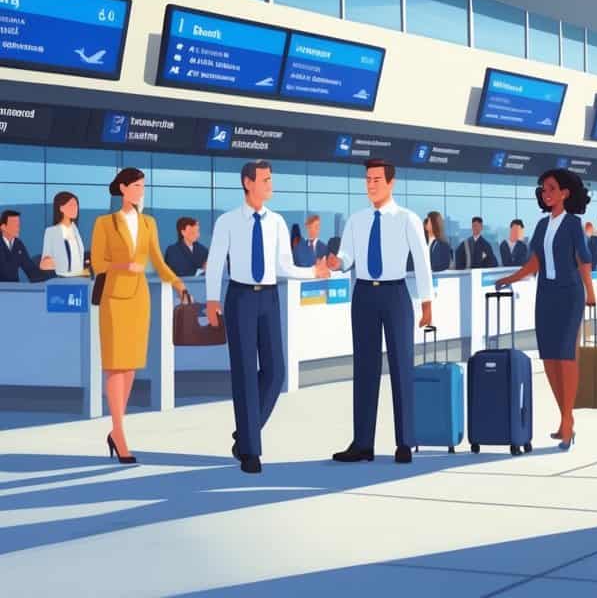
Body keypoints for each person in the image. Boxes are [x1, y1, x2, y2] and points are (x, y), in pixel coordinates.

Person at [206, 161, 329, 474]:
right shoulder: (228, 221)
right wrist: (211, 301)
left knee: (276, 372)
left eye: (271, 179)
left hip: (269, 299)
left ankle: (245, 434)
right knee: (245, 374)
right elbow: (217, 262)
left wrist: (313, 272)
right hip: (241, 298)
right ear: (248, 182)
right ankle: (250, 452)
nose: (270, 184)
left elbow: (284, 266)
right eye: (265, 179)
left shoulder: (277, 222)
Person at [326, 159, 433, 465]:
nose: (370, 185)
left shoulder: (407, 219)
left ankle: (405, 441)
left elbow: (422, 262)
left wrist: (427, 303)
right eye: (367, 179)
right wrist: (337, 263)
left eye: (376, 179)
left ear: (391, 182)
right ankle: (363, 443)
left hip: (395, 294)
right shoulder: (356, 220)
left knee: (402, 368)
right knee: (364, 369)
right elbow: (347, 256)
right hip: (363, 295)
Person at [495, 168, 596, 451]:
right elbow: (534, 264)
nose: (546, 193)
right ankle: (567, 418)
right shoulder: (541, 226)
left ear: (565, 192)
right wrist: (510, 278)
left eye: (551, 188)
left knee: (566, 357)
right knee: (550, 359)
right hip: (546, 296)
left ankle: (566, 421)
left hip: (570, 295)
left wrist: (590, 291)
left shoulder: (574, 224)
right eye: (543, 189)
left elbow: (583, 259)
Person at [91, 168, 187, 464]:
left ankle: (117, 428)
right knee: (115, 367)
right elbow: (97, 261)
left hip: (139, 300)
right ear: (122, 188)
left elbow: (157, 259)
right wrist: (124, 264)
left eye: (142, 185)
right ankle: (119, 433)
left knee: (130, 368)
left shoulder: (149, 223)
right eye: (135, 185)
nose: (140, 190)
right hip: (114, 299)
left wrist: (178, 283)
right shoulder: (105, 223)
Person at [0, 210, 55, 282]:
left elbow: (30, 268)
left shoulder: (18, 244)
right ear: (3, 227)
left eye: (18, 225)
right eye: (14, 225)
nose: (18, 228)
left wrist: (49, 277)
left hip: (14, 288)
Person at [42, 191, 87, 277]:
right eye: (71, 205)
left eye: (76, 205)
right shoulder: (51, 231)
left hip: (79, 278)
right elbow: (45, 261)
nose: (75, 208)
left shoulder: (75, 230)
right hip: (62, 278)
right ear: (61, 208)